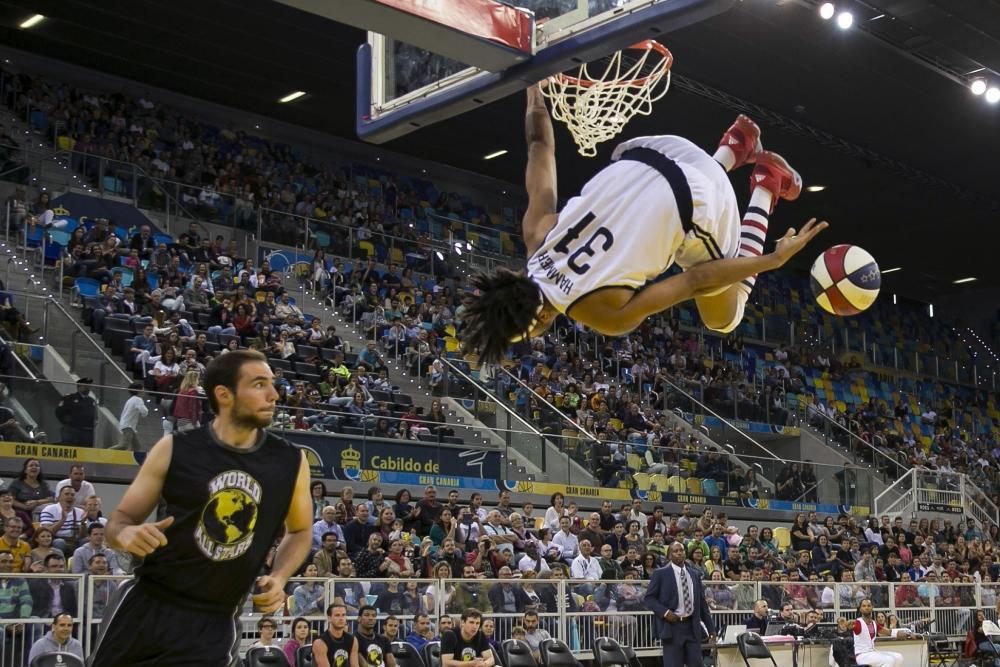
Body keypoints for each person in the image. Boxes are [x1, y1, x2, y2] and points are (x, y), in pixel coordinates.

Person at [460, 84, 825, 361]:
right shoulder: (536, 234)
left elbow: (697, 280)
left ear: (536, 322)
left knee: (723, 317)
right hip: (656, 150)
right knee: (670, 220)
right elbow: (540, 145)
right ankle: (735, 145)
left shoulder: (601, 314)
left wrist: (774, 260)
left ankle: (766, 184)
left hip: (703, 198)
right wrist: (533, 84)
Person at [87, 350, 314, 667]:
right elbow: (119, 521)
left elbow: (301, 530)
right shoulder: (174, 448)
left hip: (215, 622)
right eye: (260, 384)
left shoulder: (291, 462)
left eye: (272, 384)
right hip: (148, 606)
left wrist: (279, 576)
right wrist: (125, 534)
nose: (274, 394)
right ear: (224, 394)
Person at [643, 541, 716, 667]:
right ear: (669, 555)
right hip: (672, 627)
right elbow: (649, 599)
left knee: (697, 663)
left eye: (681, 550)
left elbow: (702, 604)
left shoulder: (694, 574)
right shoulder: (660, 574)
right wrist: (665, 612)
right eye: (675, 551)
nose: (679, 553)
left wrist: (711, 629)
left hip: (692, 626)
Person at [852, 598, 911, 667]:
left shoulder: (873, 623)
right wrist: (849, 626)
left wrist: (908, 633)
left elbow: (889, 632)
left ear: (872, 608)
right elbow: (853, 627)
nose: (866, 608)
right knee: (889, 660)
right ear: (860, 609)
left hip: (872, 652)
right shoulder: (858, 622)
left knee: (899, 657)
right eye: (864, 606)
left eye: (868, 606)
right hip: (862, 655)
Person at [313, 603, 360, 667]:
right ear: (329, 618)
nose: (341, 618)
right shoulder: (320, 642)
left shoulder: (353, 640)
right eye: (337, 615)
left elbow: (354, 665)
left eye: (343, 615)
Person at [55, 378, 97, 446]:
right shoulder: (70, 398)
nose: (88, 388)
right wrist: (66, 422)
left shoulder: (91, 401)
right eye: (85, 386)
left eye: (89, 386)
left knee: (85, 452)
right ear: (79, 387)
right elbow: (59, 412)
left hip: (87, 432)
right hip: (72, 430)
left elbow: (95, 416)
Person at [113, 383, 149, 451]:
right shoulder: (138, 399)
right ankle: (106, 453)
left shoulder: (131, 399)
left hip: (128, 426)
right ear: (139, 391)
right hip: (128, 426)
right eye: (143, 389)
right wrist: (144, 413)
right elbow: (144, 411)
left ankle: (128, 460)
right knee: (124, 445)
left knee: (136, 446)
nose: (144, 391)